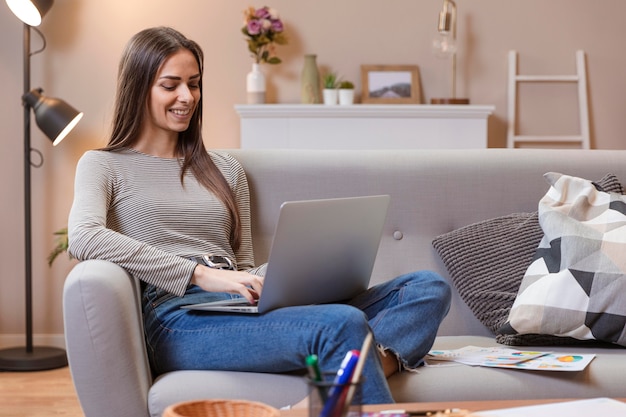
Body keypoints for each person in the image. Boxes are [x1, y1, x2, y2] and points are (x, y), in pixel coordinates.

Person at [67, 26, 451, 405]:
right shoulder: (104, 165)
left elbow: (243, 261)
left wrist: (277, 280)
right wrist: (202, 275)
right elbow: (82, 236)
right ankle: (345, 377)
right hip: (178, 316)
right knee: (341, 324)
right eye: (170, 85)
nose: (187, 96)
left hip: (240, 303)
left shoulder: (224, 168)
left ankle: (336, 387)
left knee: (426, 288)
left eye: (194, 83)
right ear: (139, 89)